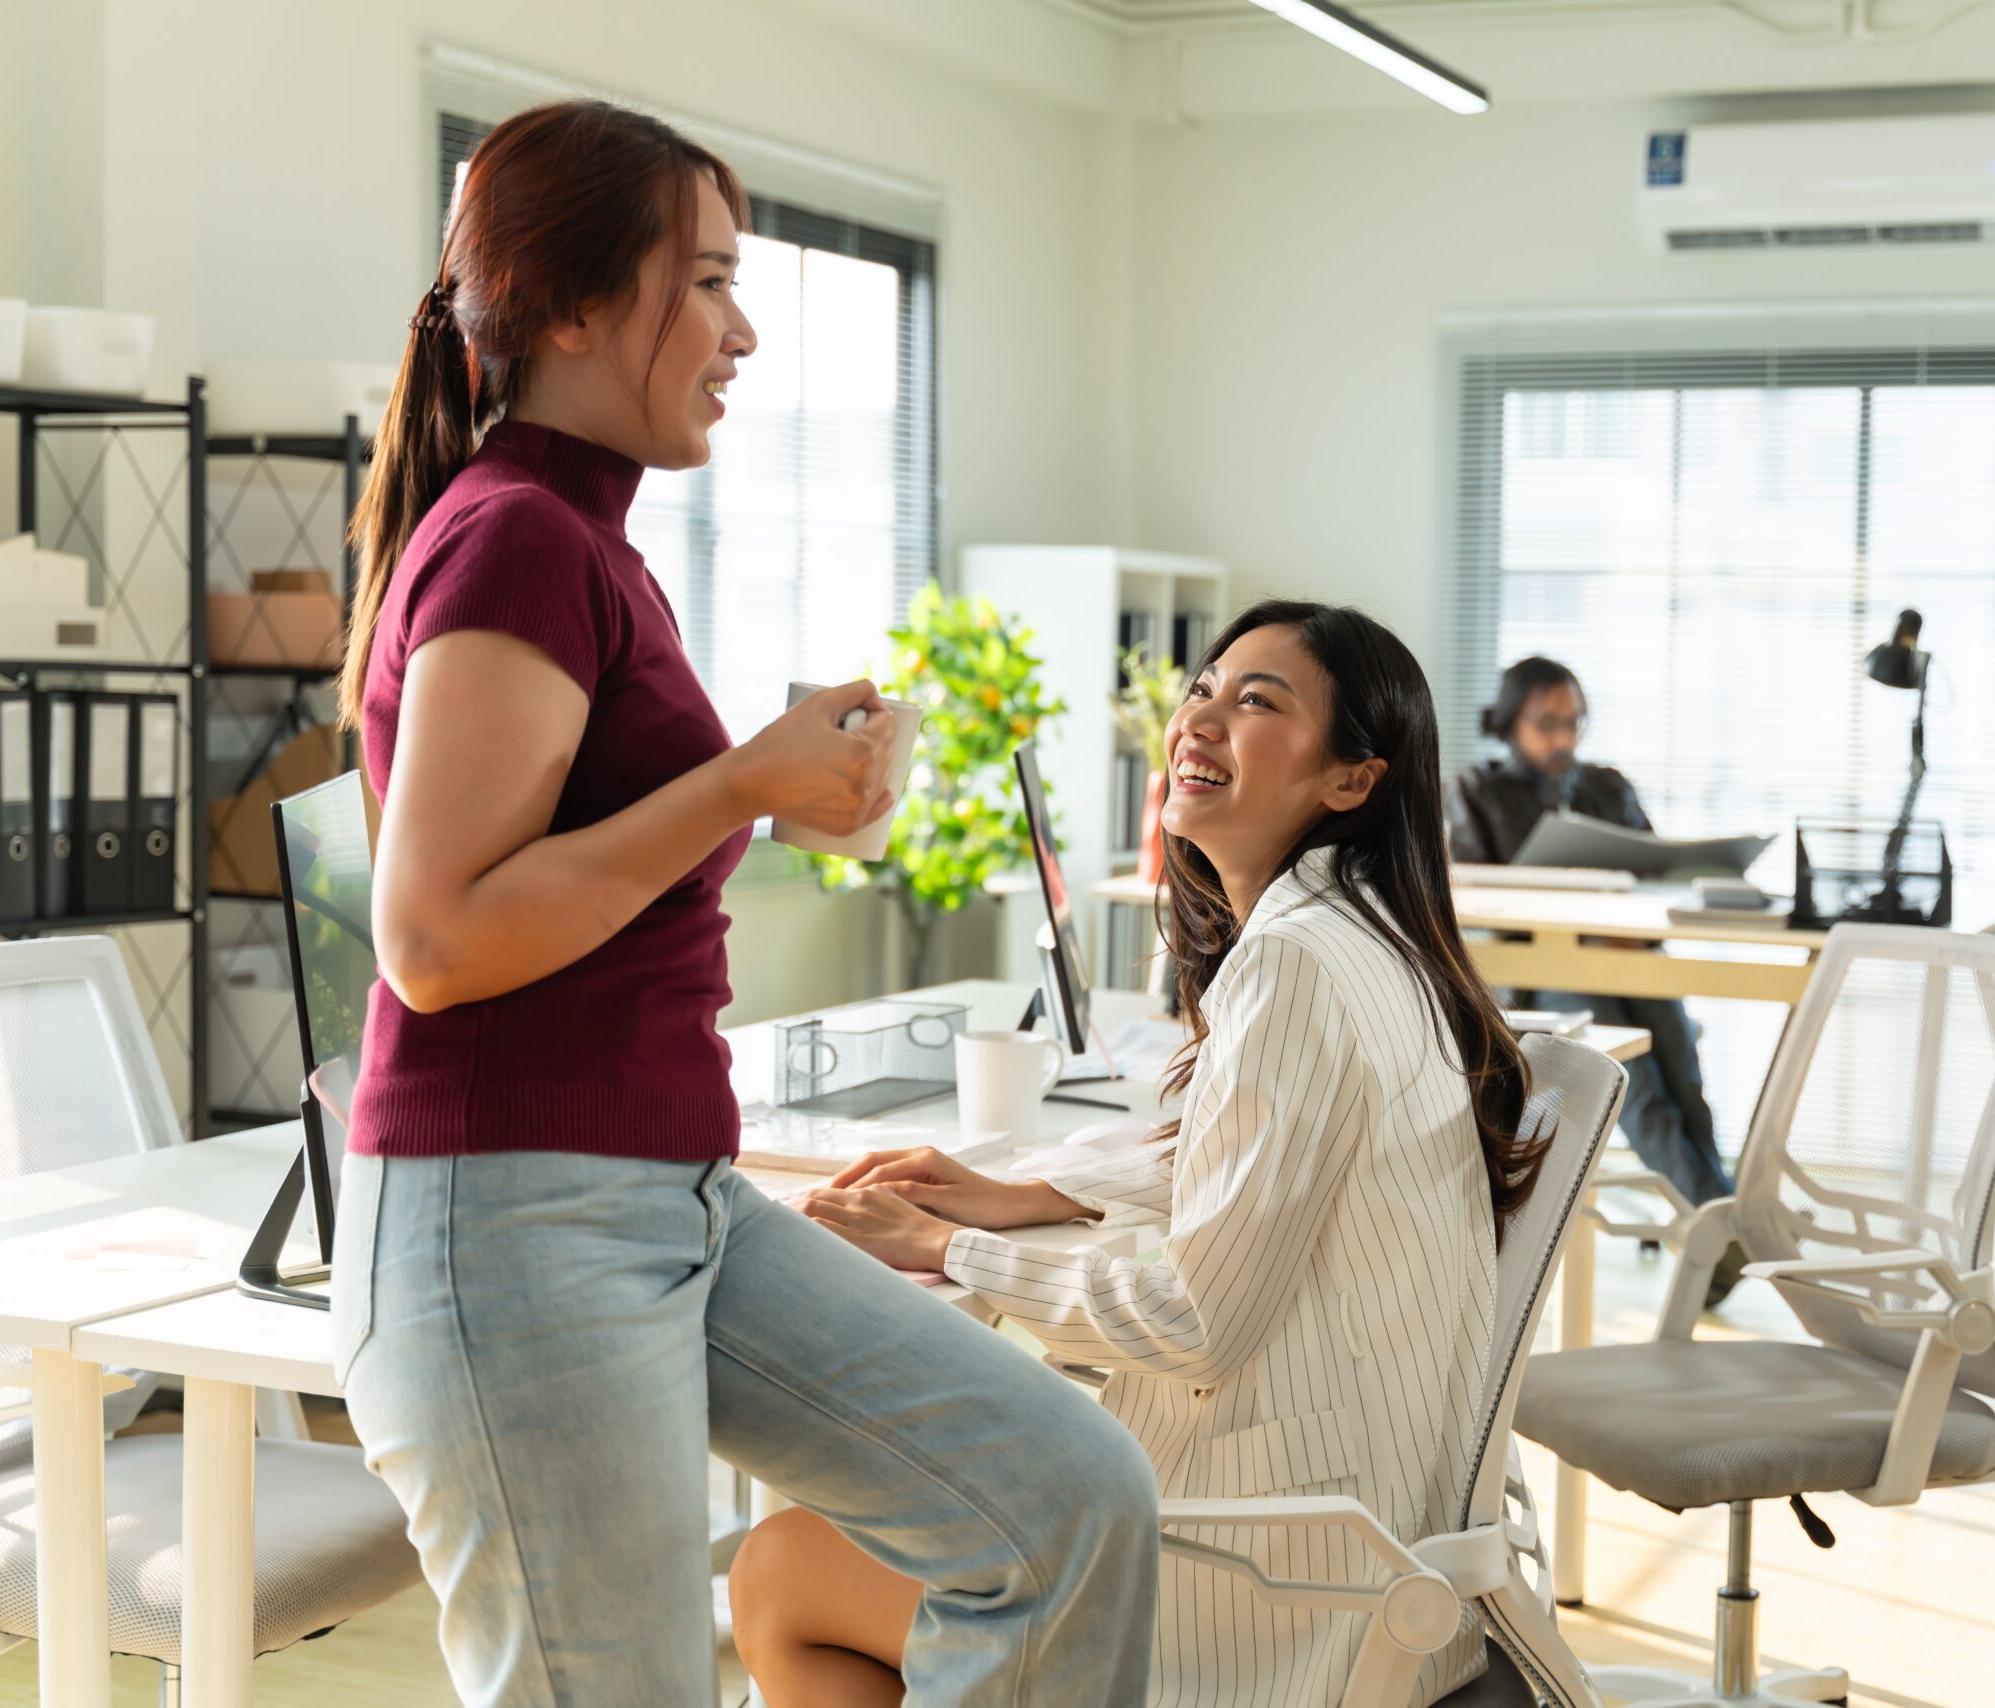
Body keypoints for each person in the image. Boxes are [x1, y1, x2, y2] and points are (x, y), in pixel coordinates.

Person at [327, 100, 1156, 1708]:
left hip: (669, 1201)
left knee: (1067, 1504)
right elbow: (434, 942)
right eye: (705, 283)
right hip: (511, 1227)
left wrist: (786, 793)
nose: (746, 330)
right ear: (571, 308)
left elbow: (587, 873)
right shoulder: (510, 539)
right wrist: (737, 787)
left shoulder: (586, 543)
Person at [728, 601, 1550, 1707]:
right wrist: (1023, 1191)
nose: (1200, 718)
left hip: (1280, 1587)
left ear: (1350, 779)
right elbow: (1246, 1152)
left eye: (1257, 701)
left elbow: (1195, 1319)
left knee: (779, 1573)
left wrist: (957, 1244)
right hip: (1378, 1548)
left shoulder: (1297, 965)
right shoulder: (1361, 934)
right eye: (1202, 689)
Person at [1448, 657, 1744, 1286]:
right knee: (1640, 1082)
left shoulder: (1608, 786)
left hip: (1633, 959)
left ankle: (1722, 1224)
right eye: (1547, 723)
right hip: (1548, 969)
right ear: (1509, 722)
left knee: (1683, 1066)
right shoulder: (1475, 790)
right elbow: (1472, 900)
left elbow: (1658, 870)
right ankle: (1726, 1229)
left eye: (1573, 723)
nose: (1563, 738)